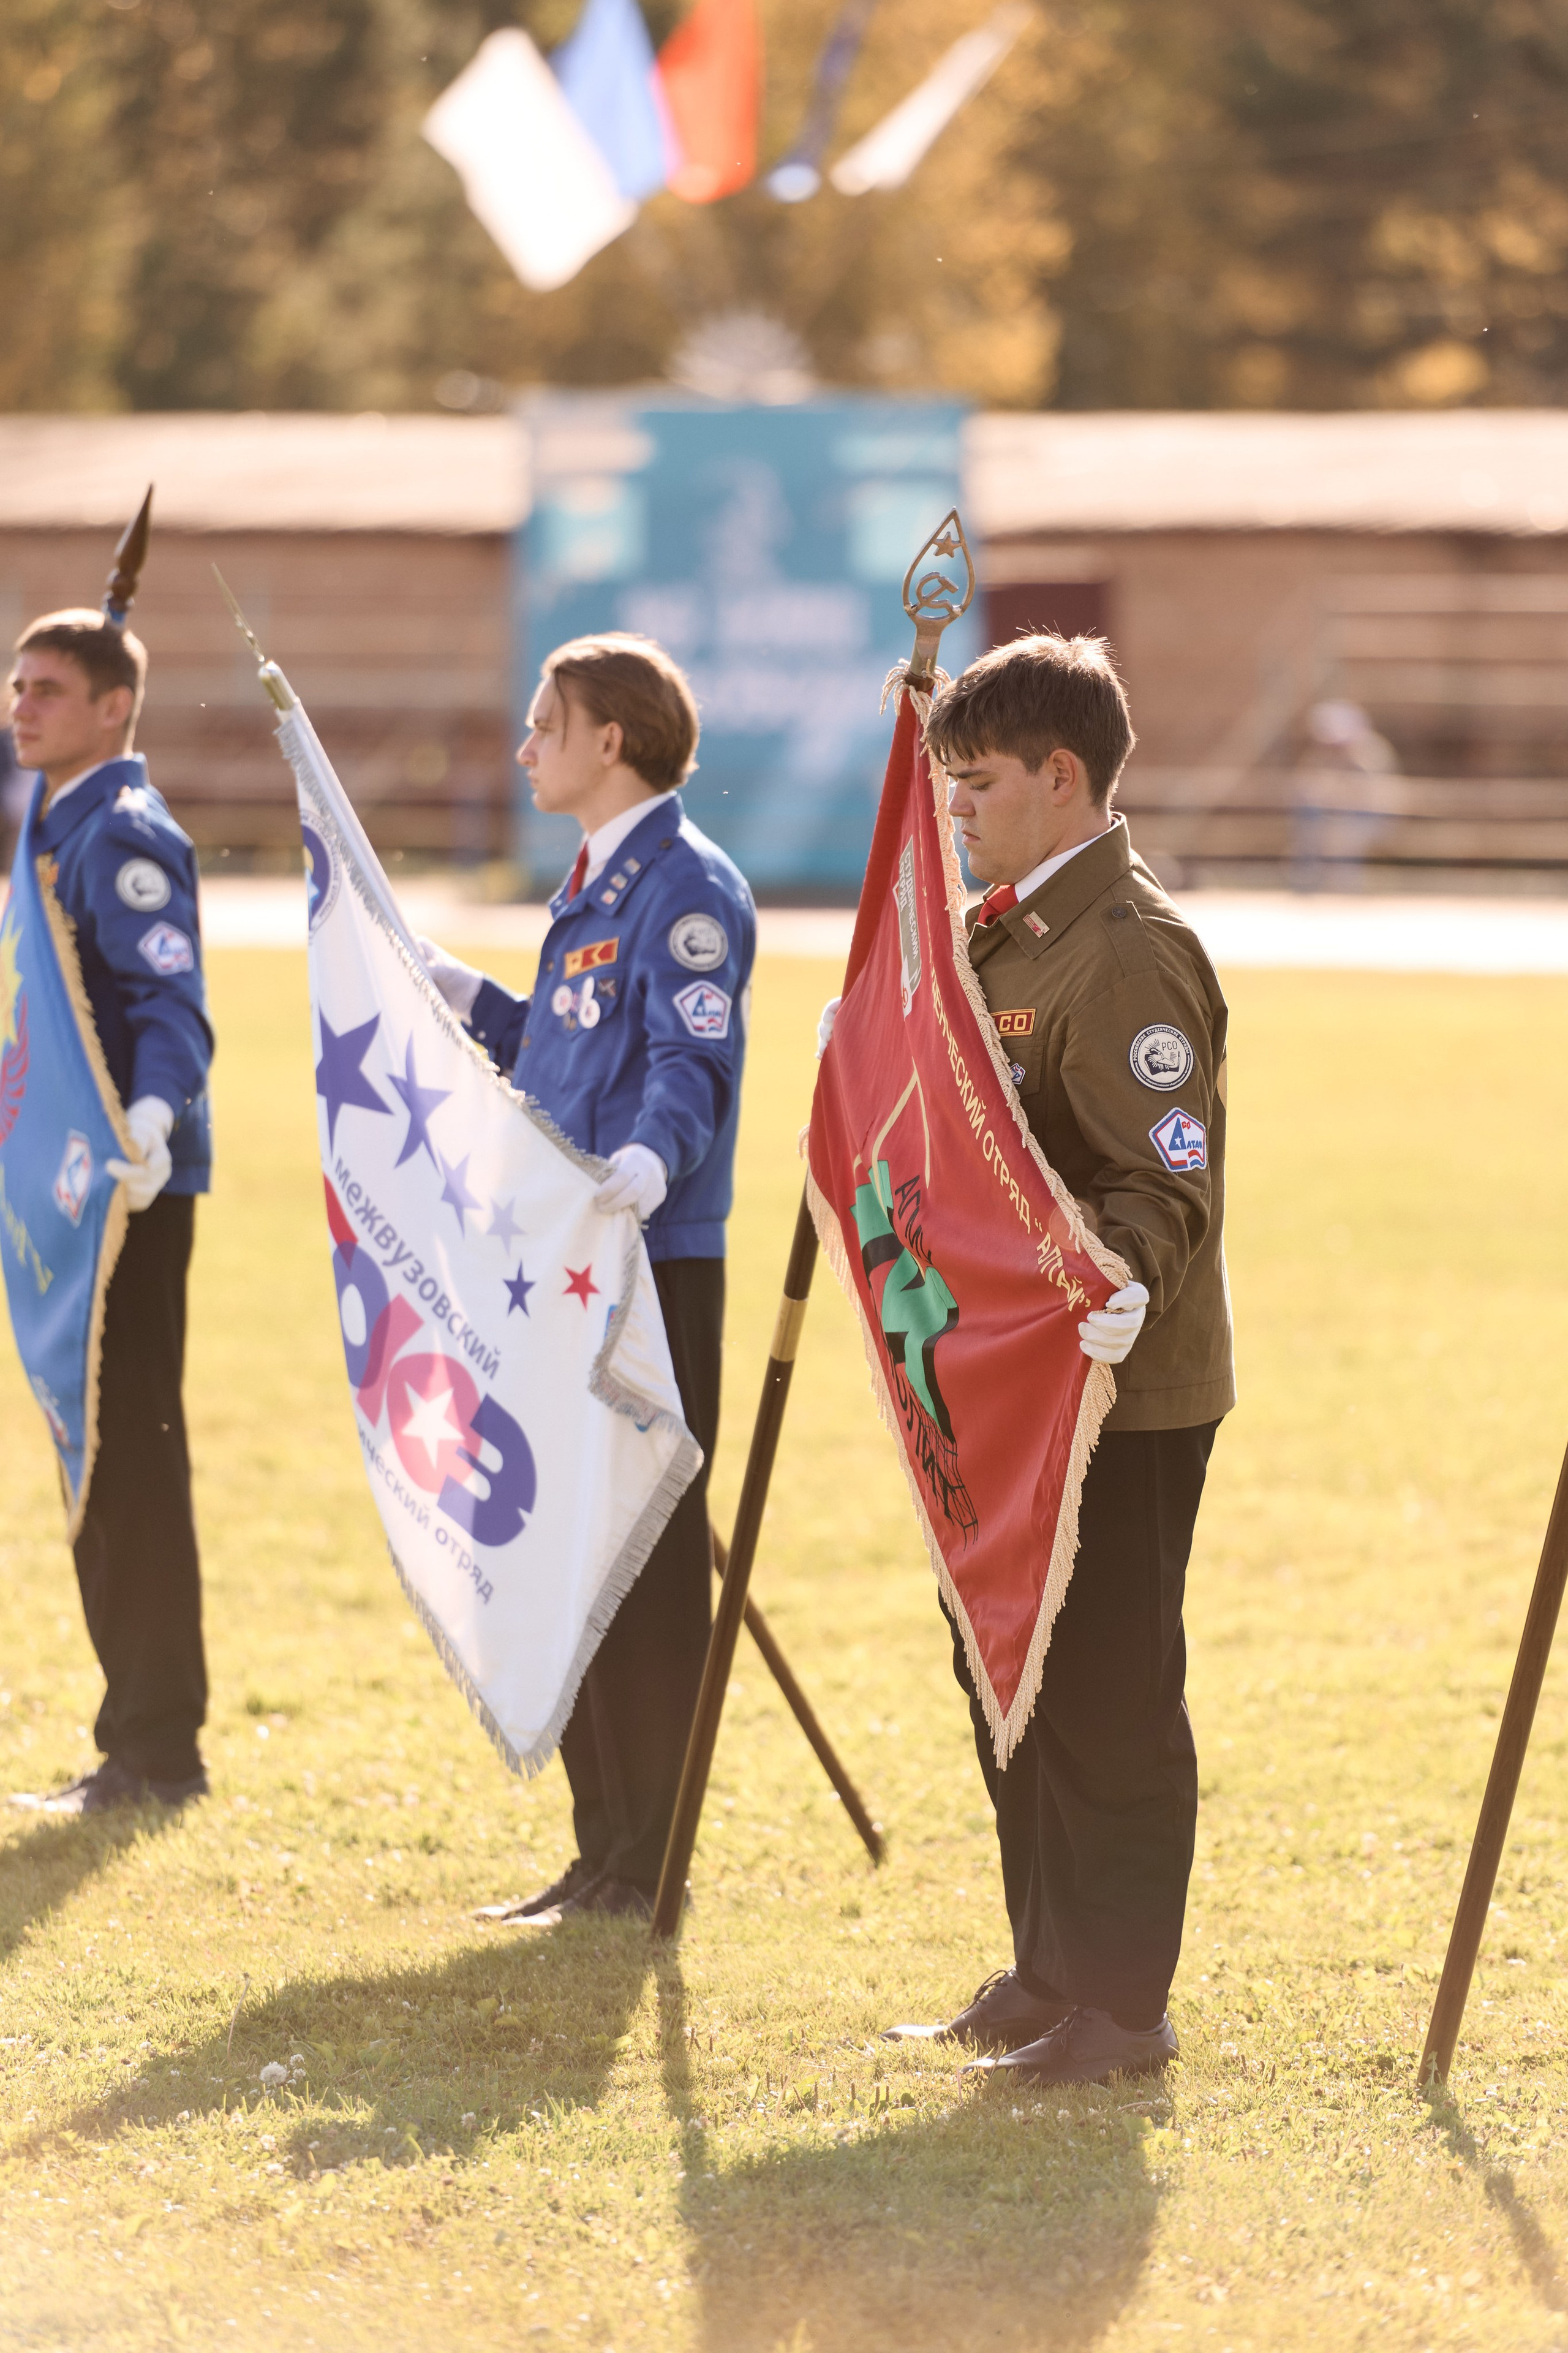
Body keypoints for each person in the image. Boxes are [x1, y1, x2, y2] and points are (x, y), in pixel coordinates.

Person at [823, 632, 1233, 2085]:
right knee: (1009, 1666)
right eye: (938, 784)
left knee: (1107, 1684)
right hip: (999, 1390)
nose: (953, 812)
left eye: (976, 783)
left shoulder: (1122, 951)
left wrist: (1117, 1280)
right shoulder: (989, 933)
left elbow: (1160, 1180)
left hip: (1115, 1390)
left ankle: (1121, 2008)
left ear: (1063, 780)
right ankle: (1051, 1964)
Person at [419, 632, 755, 1923]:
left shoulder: (683, 886)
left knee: (647, 1571)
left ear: (609, 739)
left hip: (643, 1261)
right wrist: (453, 992)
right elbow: (559, 1054)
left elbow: (690, 1062)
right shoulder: (592, 886)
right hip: (560, 1268)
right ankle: (601, 1847)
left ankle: (649, 1863)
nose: (523, 746)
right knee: (570, 1555)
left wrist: (651, 1162)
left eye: (543, 725)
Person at [9, 608, 214, 1815]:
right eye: (17, 685)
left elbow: (171, 1003)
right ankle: (131, 1735)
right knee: (96, 1456)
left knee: (130, 1459)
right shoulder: (58, 814)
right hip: (73, 1194)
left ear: (111, 709)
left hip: (132, 1191)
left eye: (47, 689)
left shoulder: (124, 830)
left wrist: (149, 1116)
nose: (22, 705)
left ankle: (158, 1749)